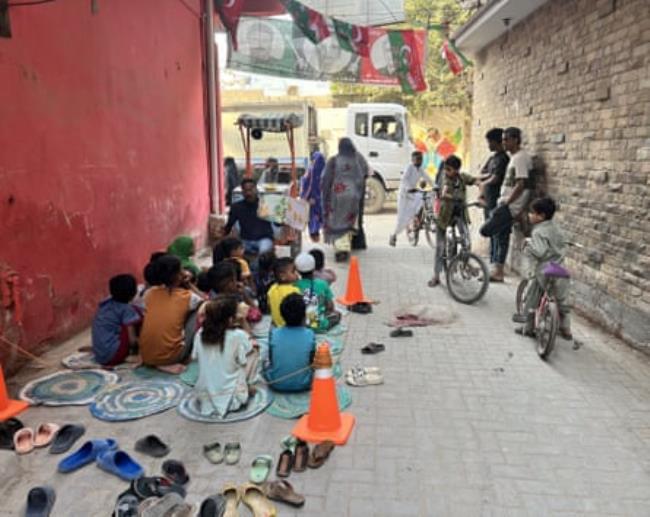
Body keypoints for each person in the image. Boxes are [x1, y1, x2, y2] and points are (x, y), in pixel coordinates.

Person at [512, 197, 572, 339]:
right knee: (562, 301)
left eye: (532, 213)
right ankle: (566, 329)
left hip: (544, 271)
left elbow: (540, 251)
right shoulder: (556, 228)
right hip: (559, 268)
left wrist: (528, 245)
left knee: (532, 298)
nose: (529, 215)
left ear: (541, 216)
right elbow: (563, 244)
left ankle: (528, 328)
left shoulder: (538, 231)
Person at [480, 127, 533, 282]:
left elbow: (521, 184)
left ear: (515, 140)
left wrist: (509, 203)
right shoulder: (514, 158)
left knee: (488, 230)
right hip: (504, 203)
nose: (503, 143)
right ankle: (497, 270)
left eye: (506, 139)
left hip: (509, 206)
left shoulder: (521, 158)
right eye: (502, 139)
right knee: (497, 234)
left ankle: (498, 270)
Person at [191, 296, 259, 418]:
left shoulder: (200, 333)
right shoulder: (238, 335)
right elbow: (250, 345)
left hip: (204, 396)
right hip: (234, 399)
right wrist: (243, 322)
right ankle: (247, 385)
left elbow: (194, 357)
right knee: (254, 350)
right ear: (230, 319)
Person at [139, 255, 204, 374]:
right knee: (198, 311)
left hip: (145, 355)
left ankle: (157, 355)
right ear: (177, 276)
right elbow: (205, 301)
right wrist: (189, 284)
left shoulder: (149, 293)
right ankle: (173, 358)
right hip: (172, 357)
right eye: (181, 270)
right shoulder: (187, 296)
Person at [428, 155, 479, 288]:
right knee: (440, 247)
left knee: (466, 241)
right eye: (445, 169)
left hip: (459, 214)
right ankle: (436, 276)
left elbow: (476, 181)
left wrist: (482, 191)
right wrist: (455, 197)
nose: (446, 172)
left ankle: (464, 264)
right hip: (444, 216)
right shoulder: (446, 179)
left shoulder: (462, 177)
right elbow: (444, 192)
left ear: (456, 170)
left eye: (449, 169)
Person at [321, 137, 367, 262]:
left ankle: (341, 249)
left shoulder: (334, 160)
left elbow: (325, 179)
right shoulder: (357, 160)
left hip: (337, 196)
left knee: (337, 222)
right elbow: (364, 176)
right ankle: (346, 246)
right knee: (348, 223)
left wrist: (325, 197)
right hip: (353, 198)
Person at [263, 294, 316, 392]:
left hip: (276, 383)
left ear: (282, 315)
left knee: (264, 360)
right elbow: (311, 361)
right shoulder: (310, 334)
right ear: (304, 315)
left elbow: (271, 359)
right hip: (304, 384)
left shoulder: (274, 333)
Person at [478, 129, 510, 275]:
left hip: (497, 202)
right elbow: (483, 173)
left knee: (499, 235)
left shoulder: (503, 159)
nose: (488, 145)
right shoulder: (493, 159)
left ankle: (497, 266)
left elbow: (496, 178)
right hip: (489, 202)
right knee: (491, 233)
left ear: (497, 142)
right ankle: (492, 262)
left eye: (490, 142)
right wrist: (487, 177)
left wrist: (485, 182)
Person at [91, 274, 142, 367]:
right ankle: (132, 354)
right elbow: (132, 340)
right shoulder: (126, 309)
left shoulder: (105, 303)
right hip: (113, 356)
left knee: (134, 312)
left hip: (99, 355)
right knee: (136, 317)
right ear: (134, 293)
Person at [389, 150, 435, 246]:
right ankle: (393, 235)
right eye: (417, 159)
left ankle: (419, 218)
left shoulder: (420, 169)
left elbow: (428, 178)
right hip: (404, 195)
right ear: (412, 160)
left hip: (413, 192)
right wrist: (409, 188)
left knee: (426, 196)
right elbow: (404, 180)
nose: (419, 161)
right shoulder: (409, 168)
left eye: (421, 159)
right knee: (402, 219)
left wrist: (435, 186)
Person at [223, 179, 275, 256]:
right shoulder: (237, 207)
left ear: (256, 189)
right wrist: (222, 235)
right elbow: (229, 225)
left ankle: (254, 267)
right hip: (245, 240)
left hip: (264, 240)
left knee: (263, 254)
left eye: (251, 190)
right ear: (242, 192)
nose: (248, 193)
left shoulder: (265, 204)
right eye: (245, 190)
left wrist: (283, 217)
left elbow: (278, 223)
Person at [294, 252, 341, 332]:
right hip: (319, 325)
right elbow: (330, 306)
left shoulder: (294, 285)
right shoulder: (322, 283)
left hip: (301, 325)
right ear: (314, 268)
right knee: (337, 314)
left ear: (297, 271)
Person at [267, 257, 300, 327]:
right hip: (291, 327)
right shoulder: (295, 291)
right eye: (293, 272)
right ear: (282, 276)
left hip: (276, 327)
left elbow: (269, 306)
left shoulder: (272, 289)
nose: (297, 274)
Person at [300, 151, 325, 242]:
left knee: (313, 216)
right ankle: (318, 233)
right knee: (320, 216)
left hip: (313, 199)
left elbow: (307, 184)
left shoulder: (311, 170)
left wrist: (304, 197)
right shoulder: (327, 170)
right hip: (323, 199)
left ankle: (314, 233)